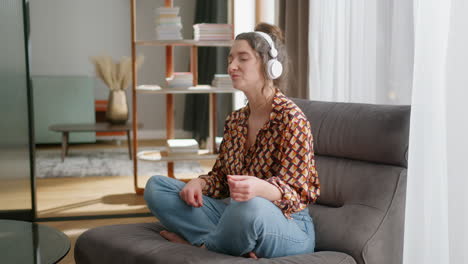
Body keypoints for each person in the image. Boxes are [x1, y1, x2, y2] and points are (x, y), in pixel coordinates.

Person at [144, 22, 320, 259]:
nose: (232, 66)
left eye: (242, 58)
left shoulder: (292, 119)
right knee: (158, 187)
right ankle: (231, 244)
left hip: (287, 224)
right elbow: (222, 179)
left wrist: (260, 188)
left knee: (250, 207)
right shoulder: (236, 120)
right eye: (230, 59)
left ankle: (203, 247)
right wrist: (200, 183)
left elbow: (300, 192)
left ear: (269, 66)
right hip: (237, 215)